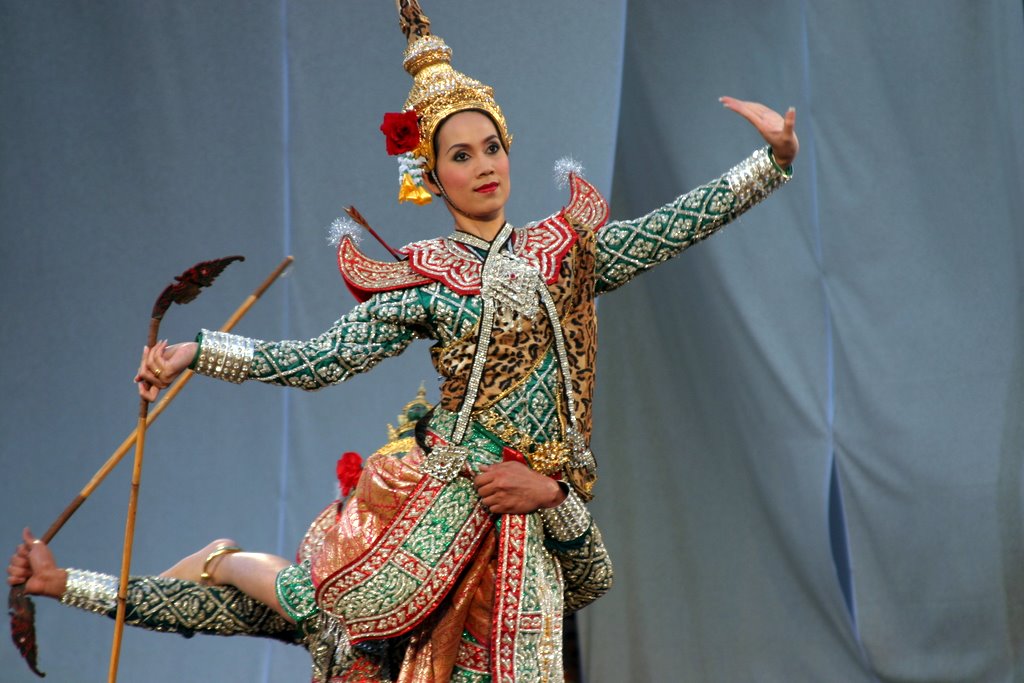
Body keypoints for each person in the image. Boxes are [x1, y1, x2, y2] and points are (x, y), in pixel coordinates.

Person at [10, 0, 798, 679]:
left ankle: (222, 561)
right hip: (455, 500)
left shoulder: (564, 253)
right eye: (461, 155)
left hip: (533, 508)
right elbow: (322, 358)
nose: (484, 165)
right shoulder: (426, 278)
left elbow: (666, 231)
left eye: (491, 146)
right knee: (327, 607)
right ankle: (226, 560)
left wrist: (771, 162)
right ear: (433, 174)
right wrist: (200, 351)